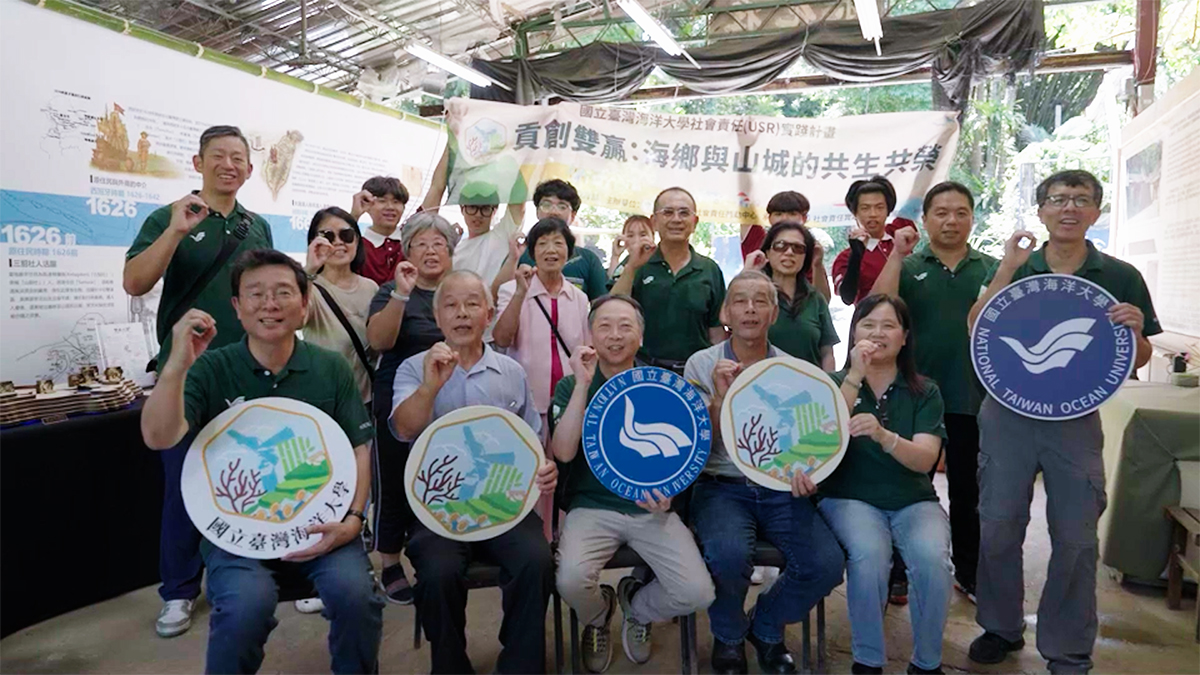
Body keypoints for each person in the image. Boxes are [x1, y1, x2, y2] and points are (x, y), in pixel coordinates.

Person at [140, 249, 383, 674]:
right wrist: (177, 364)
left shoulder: (330, 368)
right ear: (237, 306)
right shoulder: (212, 368)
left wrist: (355, 519)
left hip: (321, 524)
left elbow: (359, 449)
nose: (269, 304)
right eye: (256, 294)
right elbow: (158, 436)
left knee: (356, 596)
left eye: (284, 293)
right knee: (243, 609)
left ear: (304, 305)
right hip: (236, 531)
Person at [966, 170, 1161, 674]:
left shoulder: (1119, 275)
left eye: (1081, 200)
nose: (1069, 208)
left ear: (1096, 211)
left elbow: (1136, 356)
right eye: (1058, 199)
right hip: (1006, 414)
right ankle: (1000, 626)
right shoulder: (1018, 265)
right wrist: (1008, 266)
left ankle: (1068, 648)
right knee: (999, 528)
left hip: (1074, 421)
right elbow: (977, 326)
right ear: (1042, 210)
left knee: (1075, 537)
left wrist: (1137, 331)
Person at [123, 124, 274, 638]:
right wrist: (176, 231)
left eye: (238, 157)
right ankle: (180, 591)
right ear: (198, 162)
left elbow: (268, 295)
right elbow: (135, 282)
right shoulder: (171, 217)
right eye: (218, 156)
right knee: (183, 485)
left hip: (247, 368)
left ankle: (263, 573)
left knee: (254, 476)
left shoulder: (258, 226)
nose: (228, 164)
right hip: (185, 370)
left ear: (250, 169)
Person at [390, 270, 559, 674]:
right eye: (450, 305)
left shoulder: (511, 372)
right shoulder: (414, 368)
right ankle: (450, 666)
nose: (461, 313)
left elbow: (531, 444)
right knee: (437, 571)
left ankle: (520, 665)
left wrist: (544, 469)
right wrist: (431, 386)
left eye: (471, 304)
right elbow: (404, 429)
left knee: (536, 561)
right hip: (440, 510)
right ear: (437, 315)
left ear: (488, 313)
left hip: (505, 505)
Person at [685, 271, 845, 675]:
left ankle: (765, 627)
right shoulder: (701, 364)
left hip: (780, 488)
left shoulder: (794, 370)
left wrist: (808, 472)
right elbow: (699, 446)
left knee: (825, 564)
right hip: (720, 486)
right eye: (741, 301)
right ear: (726, 311)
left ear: (773, 314)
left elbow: (809, 438)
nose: (750, 309)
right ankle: (728, 636)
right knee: (727, 554)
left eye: (760, 301)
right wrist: (720, 398)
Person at [550, 295, 715, 673]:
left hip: (651, 510)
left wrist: (671, 490)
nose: (615, 335)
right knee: (572, 580)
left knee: (698, 592)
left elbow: (687, 456)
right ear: (591, 334)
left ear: (640, 336)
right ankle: (598, 615)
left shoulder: (662, 386)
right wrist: (581, 387)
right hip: (590, 507)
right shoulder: (572, 385)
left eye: (626, 326)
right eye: (605, 326)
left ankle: (636, 607)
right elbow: (562, 452)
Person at [871, 182, 997, 603]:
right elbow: (876, 306)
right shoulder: (908, 266)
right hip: (914, 400)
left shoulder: (993, 268)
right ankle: (897, 571)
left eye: (961, 212)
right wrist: (896, 254)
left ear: (972, 218)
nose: (951, 220)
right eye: (941, 212)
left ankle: (970, 571)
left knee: (969, 493)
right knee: (906, 486)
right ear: (925, 220)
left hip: (971, 399)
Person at [816, 294, 952, 675]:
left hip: (913, 500)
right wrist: (855, 376)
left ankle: (927, 663)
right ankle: (868, 661)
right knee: (869, 556)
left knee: (932, 560)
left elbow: (925, 459)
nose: (877, 333)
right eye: (868, 324)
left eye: (889, 325)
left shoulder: (926, 391)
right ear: (853, 331)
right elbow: (820, 441)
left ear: (905, 337)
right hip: (848, 497)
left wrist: (884, 436)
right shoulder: (829, 382)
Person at [364, 212, 460, 604]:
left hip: (452, 394)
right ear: (407, 253)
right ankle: (388, 561)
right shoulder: (391, 291)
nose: (431, 251)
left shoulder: (458, 290)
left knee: (442, 474)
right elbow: (379, 341)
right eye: (421, 244)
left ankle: (443, 546)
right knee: (394, 476)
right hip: (399, 395)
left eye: (439, 243)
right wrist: (402, 294)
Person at [612, 187, 727, 375]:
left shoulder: (709, 269)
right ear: (654, 222)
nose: (676, 219)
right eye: (668, 212)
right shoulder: (637, 261)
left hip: (695, 373)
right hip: (644, 369)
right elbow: (613, 309)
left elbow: (716, 331)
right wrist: (632, 267)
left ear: (695, 222)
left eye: (684, 213)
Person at [495, 217, 592, 433]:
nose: (551, 250)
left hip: (569, 402)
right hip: (524, 402)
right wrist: (521, 293)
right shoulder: (511, 290)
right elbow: (502, 340)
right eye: (542, 243)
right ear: (532, 251)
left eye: (558, 243)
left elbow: (587, 351)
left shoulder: (579, 298)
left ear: (569, 250)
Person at [302, 207, 379, 404]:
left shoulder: (371, 288)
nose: (338, 242)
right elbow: (296, 320)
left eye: (346, 235)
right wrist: (309, 269)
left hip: (366, 399)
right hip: (326, 398)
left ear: (357, 240)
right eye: (328, 236)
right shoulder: (310, 286)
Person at [492, 179, 610, 301]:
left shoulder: (588, 259)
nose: (554, 212)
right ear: (537, 211)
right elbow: (497, 298)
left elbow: (602, 305)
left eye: (562, 206)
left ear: (573, 215)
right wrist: (513, 259)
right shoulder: (520, 253)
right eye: (547, 205)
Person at [422, 148, 523, 290]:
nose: (478, 215)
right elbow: (436, 188)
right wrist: (451, 145)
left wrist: (520, 154)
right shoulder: (452, 248)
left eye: (485, 209)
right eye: (472, 207)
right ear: (462, 209)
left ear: (494, 211)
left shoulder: (501, 236)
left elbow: (518, 204)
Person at [745, 221, 839, 371]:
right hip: (760, 388)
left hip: (809, 388)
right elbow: (729, 324)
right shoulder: (753, 295)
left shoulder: (815, 299)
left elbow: (827, 353)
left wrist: (829, 386)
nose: (789, 252)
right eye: (781, 246)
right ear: (768, 252)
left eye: (798, 248)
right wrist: (748, 273)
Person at [831, 175, 917, 306]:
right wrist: (856, 256)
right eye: (865, 208)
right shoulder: (846, 257)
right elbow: (847, 297)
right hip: (874, 322)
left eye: (879, 207)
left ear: (888, 210)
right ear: (855, 213)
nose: (873, 214)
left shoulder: (899, 231)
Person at [741, 191, 831, 301]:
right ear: (769, 218)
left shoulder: (811, 250)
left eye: (792, 214)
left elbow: (823, 300)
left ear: (804, 218)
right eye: (778, 214)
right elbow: (744, 202)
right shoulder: (757, 239)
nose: (784, 218)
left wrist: (817, 265)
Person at [349, 176, 409, 286]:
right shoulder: (357, 246)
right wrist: (355, 215)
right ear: (366, 205)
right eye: (382, 201)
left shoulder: (411, 239)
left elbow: (436, 188)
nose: (390, 207)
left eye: (396, 201)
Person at [607, 215, 656, 286]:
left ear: (653, 236)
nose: (636, 240)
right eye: (630, 235)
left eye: (643, 235)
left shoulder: (659, 260)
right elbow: (612, 286)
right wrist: (615, 256)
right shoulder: (626, 262)